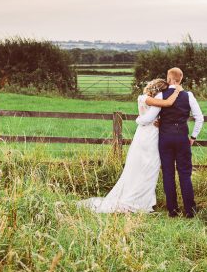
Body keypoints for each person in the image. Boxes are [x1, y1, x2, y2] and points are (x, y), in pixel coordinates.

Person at [78, 78, 183, 213]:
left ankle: (145, 201)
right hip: (150, 136)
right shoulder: (153, 100)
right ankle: (140, 202)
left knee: (141, 168)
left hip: (142, 135)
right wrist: (177, 92)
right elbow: (155, 112)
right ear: (160, 91)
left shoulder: (142, 98)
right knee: (148, 168)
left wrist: (161, 121)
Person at [136, 67, 204, 218]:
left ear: (169, 78)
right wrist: (193, 137)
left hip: (165, 139)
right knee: (185, 174)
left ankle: (172, 210)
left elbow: (151, 116)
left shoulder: (161, 95)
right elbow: (200, 118)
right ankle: (190, 210)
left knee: (168, 173)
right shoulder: (189, 96)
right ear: (180, 79)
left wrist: (157, 121)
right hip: (182, 139)